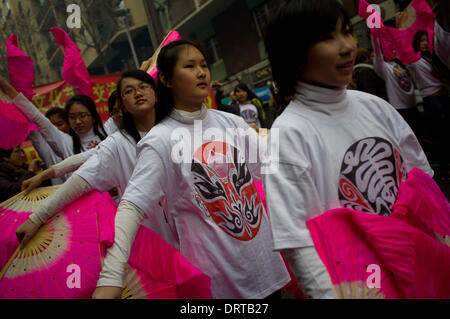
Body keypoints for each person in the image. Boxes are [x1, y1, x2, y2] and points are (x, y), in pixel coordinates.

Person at [92, 40, 291, 299]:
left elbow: (274, 169)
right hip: (218, 282)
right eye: (190, 66)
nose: (201, 72)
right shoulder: (158, 141)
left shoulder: (231, 122)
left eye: (204, 65)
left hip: (265, 266)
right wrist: (111, 276)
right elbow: (131, 207)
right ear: (165, 79)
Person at [263, 0, 432, 299]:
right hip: (362, 283)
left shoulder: (376, 107)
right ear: (294, 52)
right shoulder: (287, 134)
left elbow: (424, 184)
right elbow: (298, 241)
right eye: (327, 38)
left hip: (418, 261)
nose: (347, 47)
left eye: (346, 32)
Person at [16, 69, 174, 250]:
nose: (138, 93)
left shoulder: (177, 131)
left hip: (194, 236)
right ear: (123, 105)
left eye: (143, 87)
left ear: (156, 94)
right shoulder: (117, 143)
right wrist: (37, 217)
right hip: (154, 241)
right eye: (129, 91)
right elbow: (81, 176)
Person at [0, 75, 107, 160]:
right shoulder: (65, 142)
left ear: (93, 117)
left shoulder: (109, 132)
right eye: (72, 117)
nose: (78, 121)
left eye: (82, 116)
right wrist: (3, 83)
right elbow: (36, 116)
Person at [407, 30, 449, 180]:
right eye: (421, 40)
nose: (425, 43)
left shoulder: (432, 58)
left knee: (445, 135)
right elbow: (403, 50)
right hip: (432, 101)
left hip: (443, 97)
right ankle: (444, 171)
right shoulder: (414, 61)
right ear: (416, 44)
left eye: (426, 40)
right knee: (441, 137)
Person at [371, 36, 422, 137]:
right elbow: (377, 54)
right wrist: (375, 35)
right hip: (400, 109)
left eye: (393, 48)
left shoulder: (400, 63)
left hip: (413, 105)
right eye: (389, 49)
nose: (393, 51)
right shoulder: (384, 68)